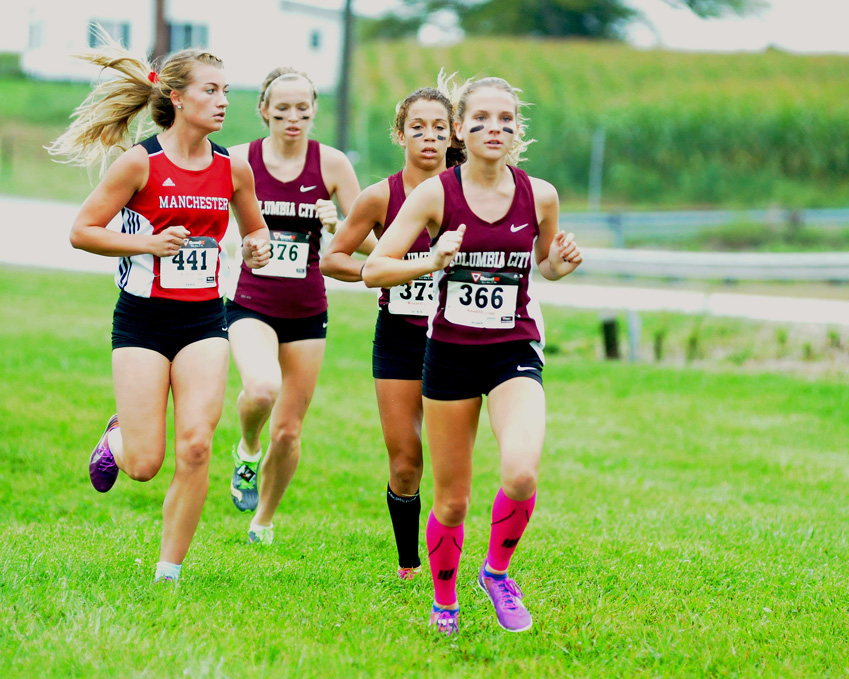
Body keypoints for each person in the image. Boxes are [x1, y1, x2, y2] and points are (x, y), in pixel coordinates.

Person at [46, 33, 271, 584]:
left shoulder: (232, 167)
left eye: (227, 90)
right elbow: (82, 232)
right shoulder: (137, 165)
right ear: (175, 97)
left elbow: (255, 229)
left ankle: (168, 573)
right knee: (145, 465)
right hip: (143, 322)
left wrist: (259, 247)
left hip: (204, 321)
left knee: (196, 445)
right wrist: (146, 244)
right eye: (211, 90)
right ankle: (117, 437)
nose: (223, 101)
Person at [362, 77, 583, 635]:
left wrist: (560, 263)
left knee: (521, 471)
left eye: (506, 119)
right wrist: (432, 261)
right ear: (461, 129)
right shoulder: (437, 193)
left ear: (517, 130)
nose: (495, 128)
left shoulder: (542, 195)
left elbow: (543, 266)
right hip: (451, 356)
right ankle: (444, 601)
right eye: (481, 118)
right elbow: (373, 270)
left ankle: (496, 572)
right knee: (453, 502)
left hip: (513, 350)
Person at [323, 83, 462, 579]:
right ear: (399, 134)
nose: (429, 138)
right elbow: (333, 258)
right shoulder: (380, 195)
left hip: (458, 337)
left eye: (439, 129)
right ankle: (409, 564)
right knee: (405, 462)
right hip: (400, 337)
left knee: (450, 466)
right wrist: (382, 273)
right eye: (418, 128)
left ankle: (450, 554)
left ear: (454, 136)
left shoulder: (475, 190)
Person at [224, 67, 362, 546]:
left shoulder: (332, 165)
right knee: (261, 390)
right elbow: (216, 229)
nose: (293, 119)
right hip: (250, 302)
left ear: (314, 111)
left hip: (307, 310)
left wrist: (339, 225)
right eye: (282, 109)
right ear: (263, 110)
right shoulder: (240, 160)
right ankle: (245, 448)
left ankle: (262, 520)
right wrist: (242, 248)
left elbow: (376, 243)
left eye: (303, 110)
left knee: (288, 433)